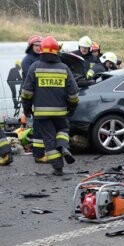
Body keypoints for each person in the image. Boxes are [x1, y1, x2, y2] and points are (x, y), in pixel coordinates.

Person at [21, 36, 78, 175]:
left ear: (41, 51)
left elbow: (27, 92)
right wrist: (71, 108)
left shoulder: (35, 67)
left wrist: (27, 108)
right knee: (63, 130)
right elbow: (73, 93)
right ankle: (63, 146)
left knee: (49, 139)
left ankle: (58, 168)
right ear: (56, 52)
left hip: (42, 114)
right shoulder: (64, 68)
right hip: (61, 112)